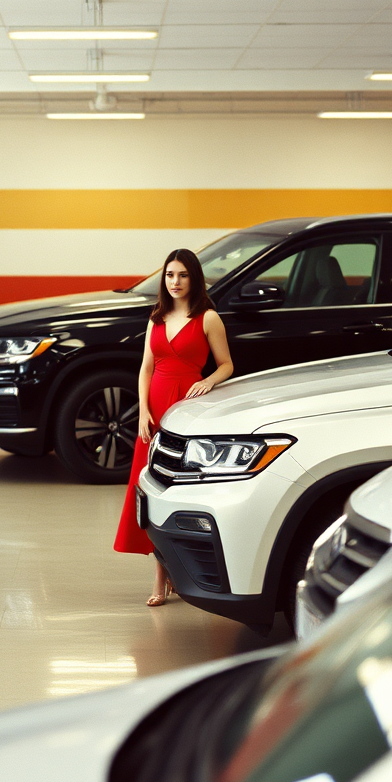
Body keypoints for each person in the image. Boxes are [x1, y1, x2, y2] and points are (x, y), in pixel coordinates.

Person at [113, 248, 234, 605]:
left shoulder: (208, 318)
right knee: (148, 491)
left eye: (182, 275)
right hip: (154, 411)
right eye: (169, 275)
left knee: (173, 490)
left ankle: (164, 575)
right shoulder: (157, 318)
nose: (175, 281)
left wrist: (208, 381)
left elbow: (227, 365)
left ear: (194, 278)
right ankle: (162, 572)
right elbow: (146, 368)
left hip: (186, 410)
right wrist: (141, 412)